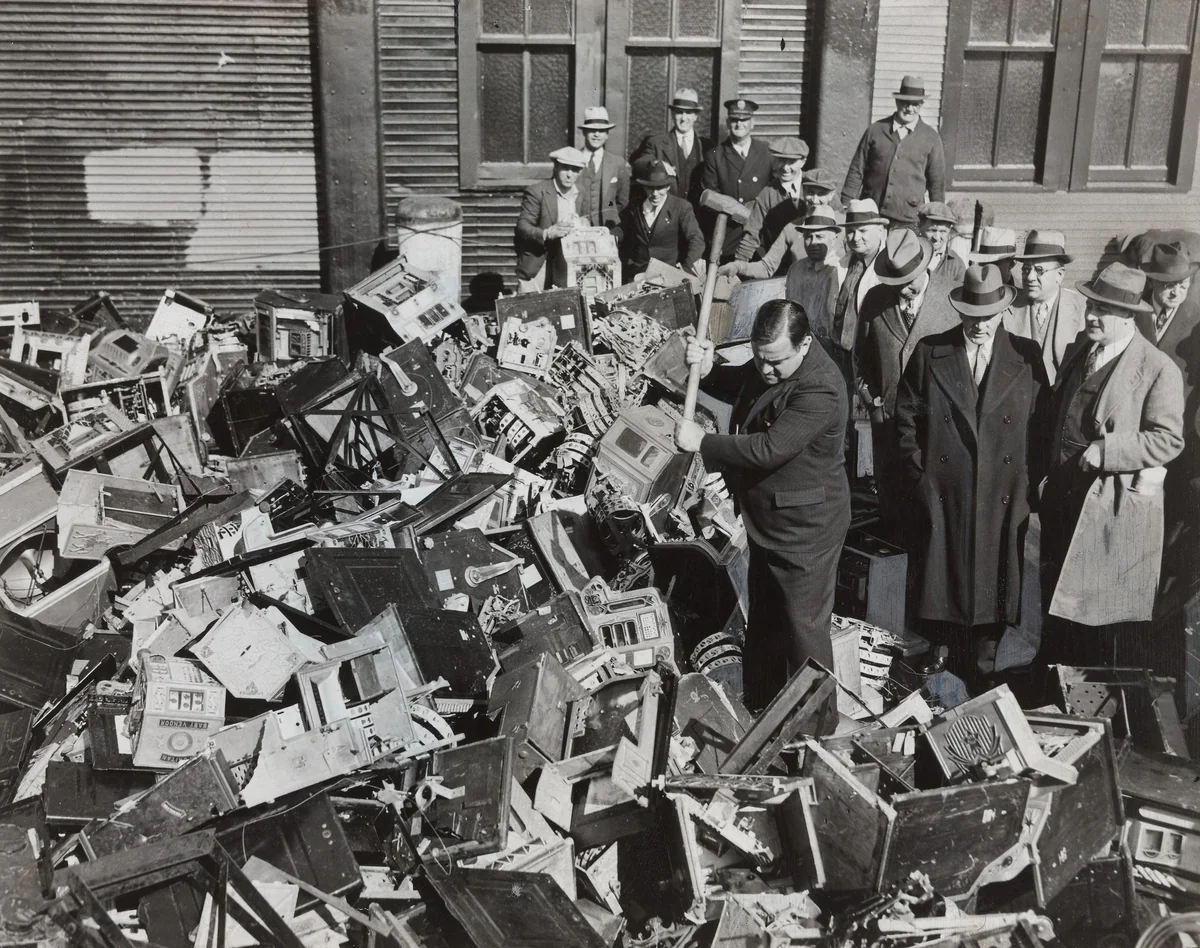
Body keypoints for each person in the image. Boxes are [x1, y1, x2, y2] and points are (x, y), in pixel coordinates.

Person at [675, 300, 850, 710]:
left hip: (805, 528)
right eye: (758, 358)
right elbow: (739, 382)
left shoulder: (821, 386)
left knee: (803, 634)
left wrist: (702, 441)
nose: (765, 371)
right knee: (766, 625)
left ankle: (815, 732)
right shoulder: (771, 364)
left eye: (775, 362)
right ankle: (760, 712)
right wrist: (707, 365)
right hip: (768, 521)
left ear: (804, 344)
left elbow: (771, 448)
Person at [894, 264, 1046, 685]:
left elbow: (1043, 425)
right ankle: (944, 657)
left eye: (990, 316)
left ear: (1004, 312)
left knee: (994, 581)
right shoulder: (929, 352)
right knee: (946, 576)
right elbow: (905, 420)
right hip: (947, 489)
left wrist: (1029, 483)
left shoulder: (1027, 357)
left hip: (1003, 490)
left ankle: (986, 664)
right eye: (973, 316)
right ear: (960, 312)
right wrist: (920, 475)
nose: (981, 325)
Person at [1041, 263, 1185, 662]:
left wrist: (1109, 451)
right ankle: (1051, 687)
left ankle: (1087, 701)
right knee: (1056, 602)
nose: (1091, 315)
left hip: (1110, 507)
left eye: (1102, 310)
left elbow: (1169, 439)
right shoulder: (1078, 351)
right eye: (1091, 305)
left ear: (1128, 316)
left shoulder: (1158, 369)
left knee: (1097, 618)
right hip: (1064, 498)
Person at [858, 228, 960, 539]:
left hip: (936, 433)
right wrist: (872, 402)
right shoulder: (874, 301)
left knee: (934, 522)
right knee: (893, 519)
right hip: (888, 428)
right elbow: (860, 359)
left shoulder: (953, 301)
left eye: (910, 280)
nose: (904, 289)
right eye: (896, 282)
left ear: (925, 267)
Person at [1136, 242, 1200, 605]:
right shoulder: (1136, 312)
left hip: (1177, 441)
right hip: (1134, 434)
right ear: (1152, 283)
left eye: (1184, 284)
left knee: (1166, 524)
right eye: (1169, 284)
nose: (1176, 291)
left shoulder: (1195, 324)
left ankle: (1152, 602)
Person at [720, 206, 845, 342]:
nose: (813, 242)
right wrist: (738, 266)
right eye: (808, 237)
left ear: (834, 238)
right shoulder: (796, 270)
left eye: (820, 236)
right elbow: (767, 267)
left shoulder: (840, 272)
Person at [841, 76, 946, 230]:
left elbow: (937, 183)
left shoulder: (931, 137)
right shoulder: (875, 130)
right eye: (905, 103)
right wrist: (845, 205)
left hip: (909, 218)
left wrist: (938, 219)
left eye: (915, 104)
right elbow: (856, 171)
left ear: (921, 105)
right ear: (897, 102)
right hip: (872, 214)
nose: (910, 109)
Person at [1003, 231, 1085, 385]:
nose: (1029, 277)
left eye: (1039, 270)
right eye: (1026, 269)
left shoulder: (1083, 309)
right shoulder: (1006, 305)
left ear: (1059, 275)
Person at [700, 98, 774, 261]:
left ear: (752, 123)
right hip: (729, 237)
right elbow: (711, 198)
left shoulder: (766, 152)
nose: (739, 124)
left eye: (744, 120)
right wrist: (739, 213)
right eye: (734, 120)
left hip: (760, 236)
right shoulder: (715, 156)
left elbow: (775, 190)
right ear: (727, 122)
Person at [830, 199, 889, 392]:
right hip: (838, 354)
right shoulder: (839, 263)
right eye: (851, 231)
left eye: (863, 231)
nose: (855, 237)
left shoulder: (889, 268)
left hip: (870, 357)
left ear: (880, 230)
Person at [513, 146, 587, 292]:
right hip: (539, 261)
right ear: (556, 167)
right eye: (565, 168)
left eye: (575, 170)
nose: (569, 175)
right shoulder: (537, 191)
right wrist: (547, 233)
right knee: (530, 308)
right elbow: (522, 225)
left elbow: (587, 219)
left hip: (568, 265)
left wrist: (584, 224)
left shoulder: (581, 192)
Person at [617, 157, 705, 279]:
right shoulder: (635, 206)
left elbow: (696, 240)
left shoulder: (681, 207)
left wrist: (685, 272)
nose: (655, 194)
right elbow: (621, 230)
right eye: (650, 188)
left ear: (668, 186)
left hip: (668, 276)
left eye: (660, 188)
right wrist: (607, 238)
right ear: (644, 187)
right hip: (637, 275)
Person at [630, 88, 711, 204]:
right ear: (673, 114)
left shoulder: (707, 146)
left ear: (696, 116)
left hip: (698, 215)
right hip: (668, 214)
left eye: (688, 113)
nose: (683, 118)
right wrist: (657, 163)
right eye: (679, 112)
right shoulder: (656, 142)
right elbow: (638, 164)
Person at [735, 137, 809, 262]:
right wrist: (739, 265)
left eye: (792, 162)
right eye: (781, 160)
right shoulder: (768, 193)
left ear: (803, 162)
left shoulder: (814, 186)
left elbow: (839, 220)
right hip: (781, 266)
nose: (785, 167)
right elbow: (752, 234)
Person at [577, 106, 631, 229]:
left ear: (607, 135)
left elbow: (622, 200)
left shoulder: (617, 163)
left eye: (601, 131)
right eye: (592, 130)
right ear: (584, 132)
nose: (597, 134)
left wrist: (609, 209)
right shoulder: (573, 160)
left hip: (607, 228)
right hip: (577, 228)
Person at [919, 202, 965, 281]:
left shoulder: (956, 264)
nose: (937, 238)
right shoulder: (907, 256)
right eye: (932, 230)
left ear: (949, 230)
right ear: (920, 227)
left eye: (943, 231)